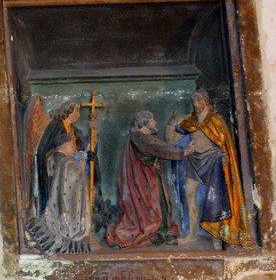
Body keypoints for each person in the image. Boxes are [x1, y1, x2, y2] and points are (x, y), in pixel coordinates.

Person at [169, 89, 250, 248]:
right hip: (194, 159)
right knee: (189, 195)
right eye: (193, 101)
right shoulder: (189, 122)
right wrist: (171, 122)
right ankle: (192, 234)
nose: (196, 104)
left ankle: (218, 235)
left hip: (212, 159)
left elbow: (225, 142)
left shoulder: (215, 120)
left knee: (215, 198)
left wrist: (225, 154)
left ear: (206, 101)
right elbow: (171, 139)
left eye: (199, 100)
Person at [107, 110, 186, 249]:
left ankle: (162, 233)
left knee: (159, 205)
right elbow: (160, 148)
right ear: (145, 123)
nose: (155, 123)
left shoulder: (139, 137)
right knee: (154, 206)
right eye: (152, 120)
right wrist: (183, 152)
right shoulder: (141, 138)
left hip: (148, 178)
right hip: (144, 181)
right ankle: (157, 233)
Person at [28, 100, 95, 254]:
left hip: (71, 173)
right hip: (56, 172)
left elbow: (78, 149)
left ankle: (73, 226)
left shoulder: (75, 130)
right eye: (76, 111)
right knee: (60, 202)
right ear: (68, 112)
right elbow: (46, 150)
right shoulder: (56, 126)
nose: (78, 115)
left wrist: (84, 152)